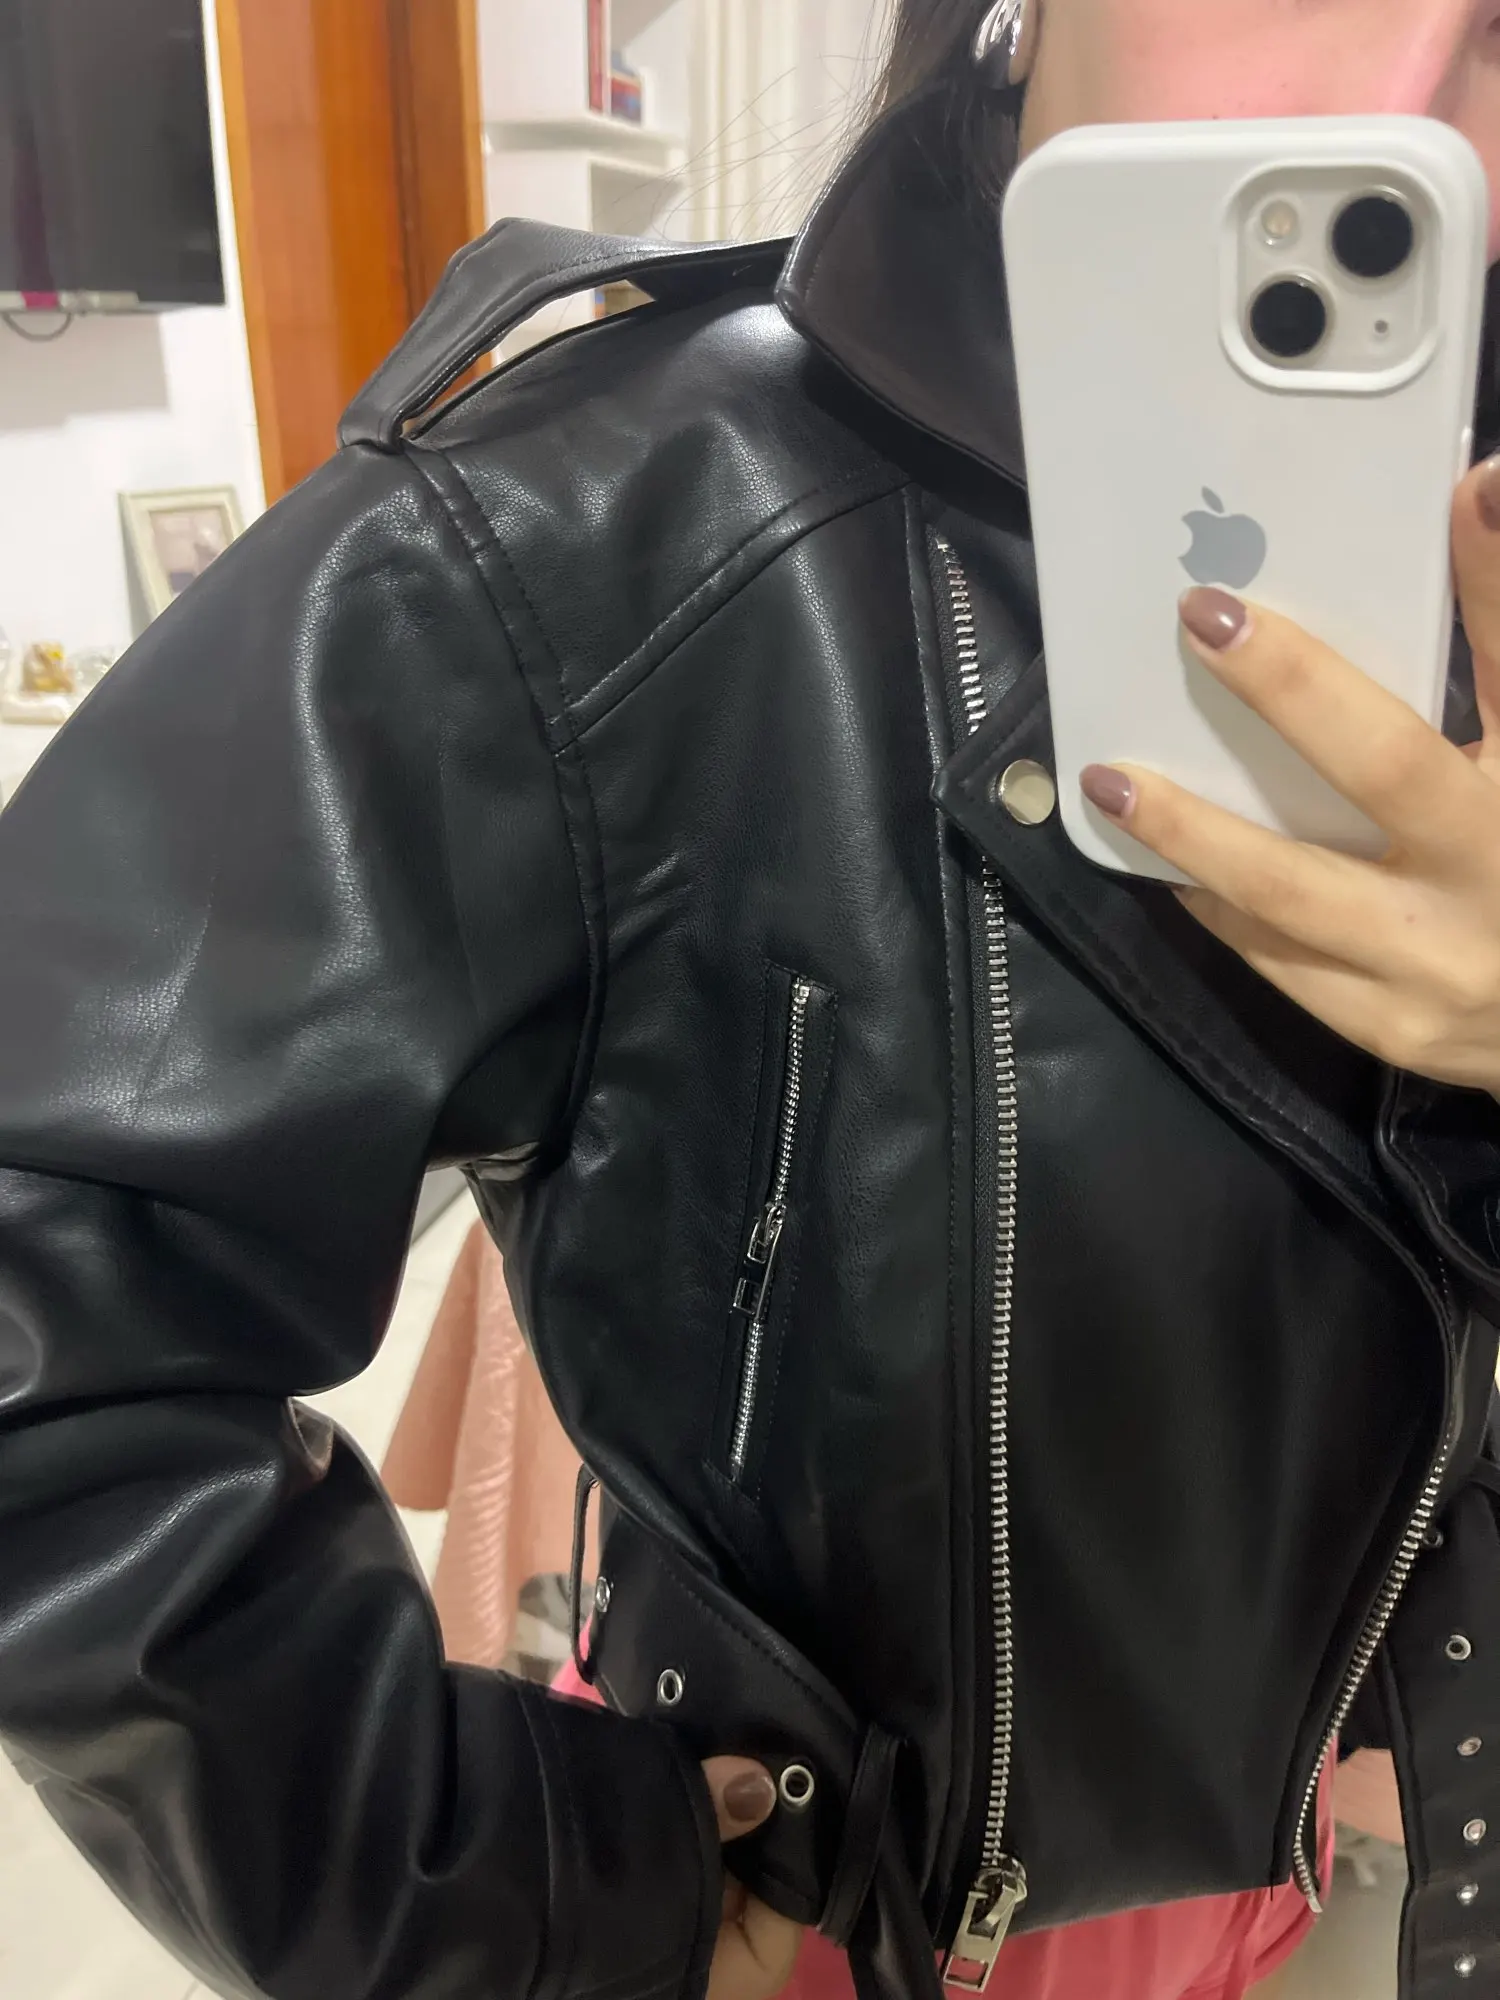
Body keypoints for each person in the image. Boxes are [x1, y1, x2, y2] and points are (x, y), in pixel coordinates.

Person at [2, 3, 1500, 1999]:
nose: (1427, 82)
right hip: (858, 1926)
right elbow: (48, 1296)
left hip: (1365, 1866)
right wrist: (502, 1894)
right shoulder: (597, 525)